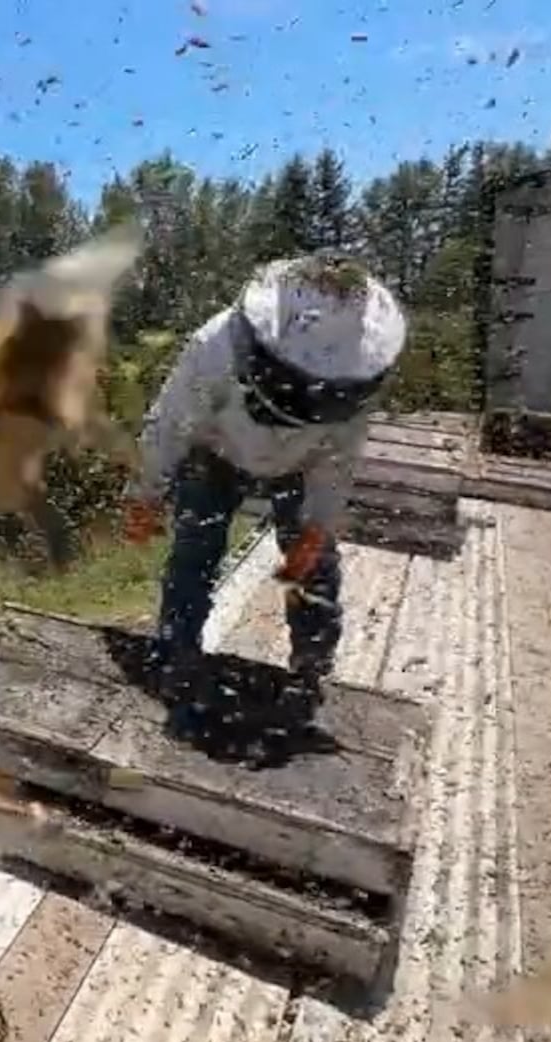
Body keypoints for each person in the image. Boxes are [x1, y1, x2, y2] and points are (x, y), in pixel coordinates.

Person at [122, 254, 407, 727]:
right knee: (196, 548)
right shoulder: (214, 349)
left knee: (313, 564)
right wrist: (145, 494)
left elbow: (337, 465)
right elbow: (167, 428)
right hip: (215, 451)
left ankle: (312, 666)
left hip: (303, 465)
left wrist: (315, 530)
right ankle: (178, 651)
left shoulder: (355, 375)